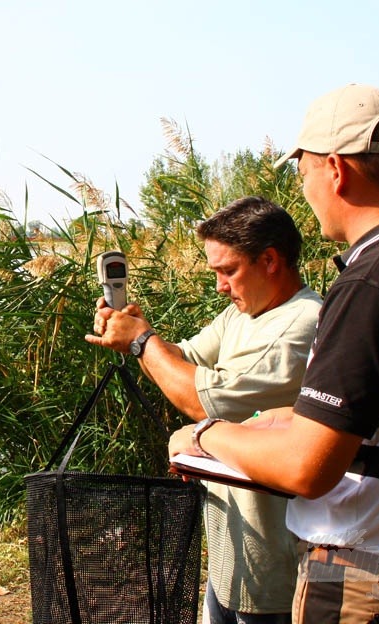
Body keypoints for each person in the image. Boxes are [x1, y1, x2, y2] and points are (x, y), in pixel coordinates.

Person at [169, 84, 379, 623]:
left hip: (367, 584)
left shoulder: (374, 281)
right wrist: (284, 419)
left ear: (336, 169)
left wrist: (208, 434)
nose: (304, 193)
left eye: (303, 176)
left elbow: (309, 469)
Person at [86, 197, 323, 624]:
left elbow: (205, 399)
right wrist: (137, 331)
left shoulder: (298, 323)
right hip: (232, 554)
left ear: (270, 260)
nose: (220, 286)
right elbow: (183, 359)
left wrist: (141, 343)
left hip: (274, 569)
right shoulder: (245, 313)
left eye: (227, 271)